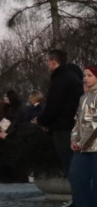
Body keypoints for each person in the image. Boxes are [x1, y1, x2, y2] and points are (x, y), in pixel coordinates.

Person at [36, 49, 84, 179]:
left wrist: (42, 120)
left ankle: (77, 197)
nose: (47, 65)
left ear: (53, 61)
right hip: (73, 124)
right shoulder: (70, 76)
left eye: (48, 61)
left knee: (69, 163)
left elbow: (54, 104)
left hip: (63, 126)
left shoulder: (60, 79)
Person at [65, 65, 97, 207]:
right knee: (77, 174)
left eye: (89, 75)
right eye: (84, 75)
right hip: (82, 147)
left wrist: (83, 142)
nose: (86, 78)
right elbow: (78, 121)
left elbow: (95, 123)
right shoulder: (83, 98)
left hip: (94, 145)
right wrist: (74, 139)